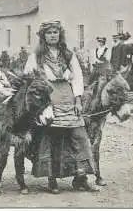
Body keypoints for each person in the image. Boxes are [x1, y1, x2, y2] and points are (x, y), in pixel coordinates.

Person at [24, 20, 98, 194]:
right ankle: (52, 179)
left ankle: (81, 178)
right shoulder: (36, 56)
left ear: (60, 34)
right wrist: (40, 103)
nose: (52, 35)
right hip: (48, 99)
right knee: (52, 138)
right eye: (49, 33)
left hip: (68, 97)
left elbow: (78, 77)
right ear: (43, 36)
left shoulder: (67, 54)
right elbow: (29, 78)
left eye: (55, 32)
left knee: (78, 136)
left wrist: (78, 101)